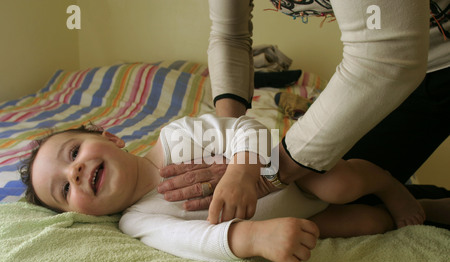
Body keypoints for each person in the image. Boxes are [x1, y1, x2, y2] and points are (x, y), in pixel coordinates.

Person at [19, 115, 449, 262]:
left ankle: (391, 185)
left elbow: (247, 127)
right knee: (363, 223)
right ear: (84, 214)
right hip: (289, 217)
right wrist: (255, 238)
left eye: (72, 152)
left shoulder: (177, 135)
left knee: (338, 184)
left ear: (111, 137)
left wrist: (243, 170)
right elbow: (190, 241)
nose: (73, 173)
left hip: (296, 176)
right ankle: (428, 207)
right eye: (62, 189)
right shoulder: (138, 220)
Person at [157, 0, 450, 220]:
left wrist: (269, 173)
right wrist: (228, 144)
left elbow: (389, 58)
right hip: (399, 61)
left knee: (334, 183)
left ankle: (406, 196)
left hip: (432, 61)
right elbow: (229, 35)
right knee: (324, 191)